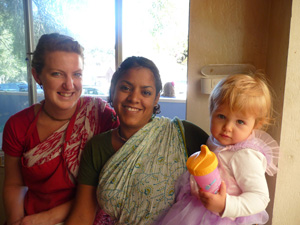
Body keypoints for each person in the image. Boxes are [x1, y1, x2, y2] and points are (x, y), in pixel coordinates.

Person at [65, 56, 209, 225]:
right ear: (113, 91)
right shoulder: (97, 148)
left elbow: (235, 169)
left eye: (146, 92)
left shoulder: (183, 134)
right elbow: (82, 216)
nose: (134, 98)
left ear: (156, 98)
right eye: (126, 88)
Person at [2, 33, 119, 225]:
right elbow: (14, 184)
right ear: (37, 75)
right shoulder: (18, 126)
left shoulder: (101, 116)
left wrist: (47, 218)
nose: (69, 85)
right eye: (57, 73)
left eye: (77, 74)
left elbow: (111, 186)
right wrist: (17, 221)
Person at [155, 73, 279, 225]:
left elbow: (260, 197)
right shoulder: (215, 141)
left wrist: (225, 205)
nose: (227, 127)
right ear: (211, 112)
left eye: (240, 121)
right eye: (221, 116)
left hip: (224, 217)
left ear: (256, 124)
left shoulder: (245, 155)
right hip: (196, 208)